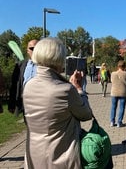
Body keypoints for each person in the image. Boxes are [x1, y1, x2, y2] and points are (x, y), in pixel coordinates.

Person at [23, 37, 93, 168]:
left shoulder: (29, 85)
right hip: (61, 158)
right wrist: (79, 89)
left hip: (34, 155)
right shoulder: (65, 90)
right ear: (58, 59)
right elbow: (86, 114)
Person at [9, 39, 38, 115]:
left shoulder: (45, 65)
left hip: (40, 103)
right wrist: (12, 103)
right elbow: (14, 85)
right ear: (27, 51)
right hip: (25, 103)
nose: (34, 50)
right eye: (31, 48)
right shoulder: (20, 66)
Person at [110, 60, 126, 127]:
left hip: (114, 92)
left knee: (113, 107)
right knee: (121, 107)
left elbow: (111, 81)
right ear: (124, 66)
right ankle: (119, 122)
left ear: (118, 66)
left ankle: (112, 121)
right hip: (123, 92)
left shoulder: (113, 73)